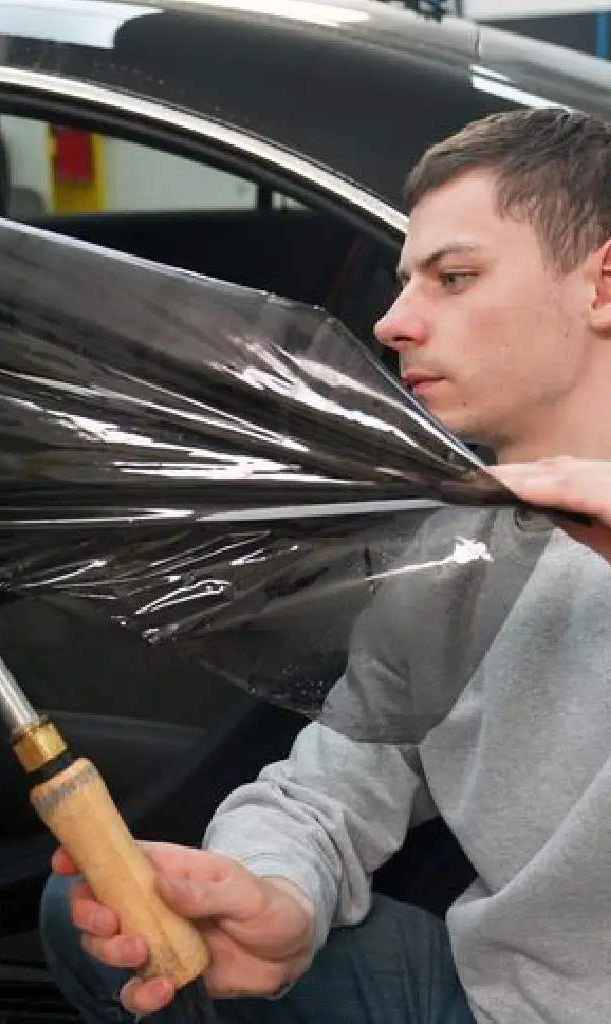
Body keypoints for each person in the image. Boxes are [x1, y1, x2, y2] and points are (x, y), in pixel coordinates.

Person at [38, 105, 611, 1023]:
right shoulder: (464, 542)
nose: (392, 323)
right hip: (494, 993)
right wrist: (274, 895)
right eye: (404, 281)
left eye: (454, 277)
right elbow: (333, 784)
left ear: (602, 285)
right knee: (101, 912)